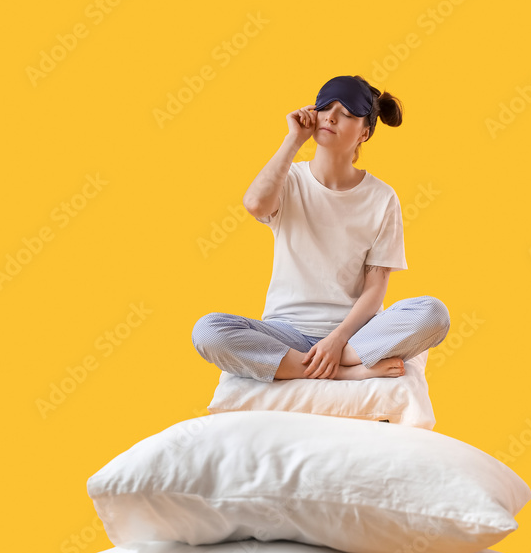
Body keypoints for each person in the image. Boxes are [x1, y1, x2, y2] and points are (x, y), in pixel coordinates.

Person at [192, 74, 450, 383]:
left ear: (364, 133)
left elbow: (376, 286)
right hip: (287, 333)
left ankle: (309, 365)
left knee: (434, 314)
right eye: (326, 107)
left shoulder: (382, 198)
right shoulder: (289, 180)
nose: (331, 117)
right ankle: (342, 372)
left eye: (347, 113)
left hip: (356, 334)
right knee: (208, 331)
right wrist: (294, 139)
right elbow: (255, 204)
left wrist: (338, 338)